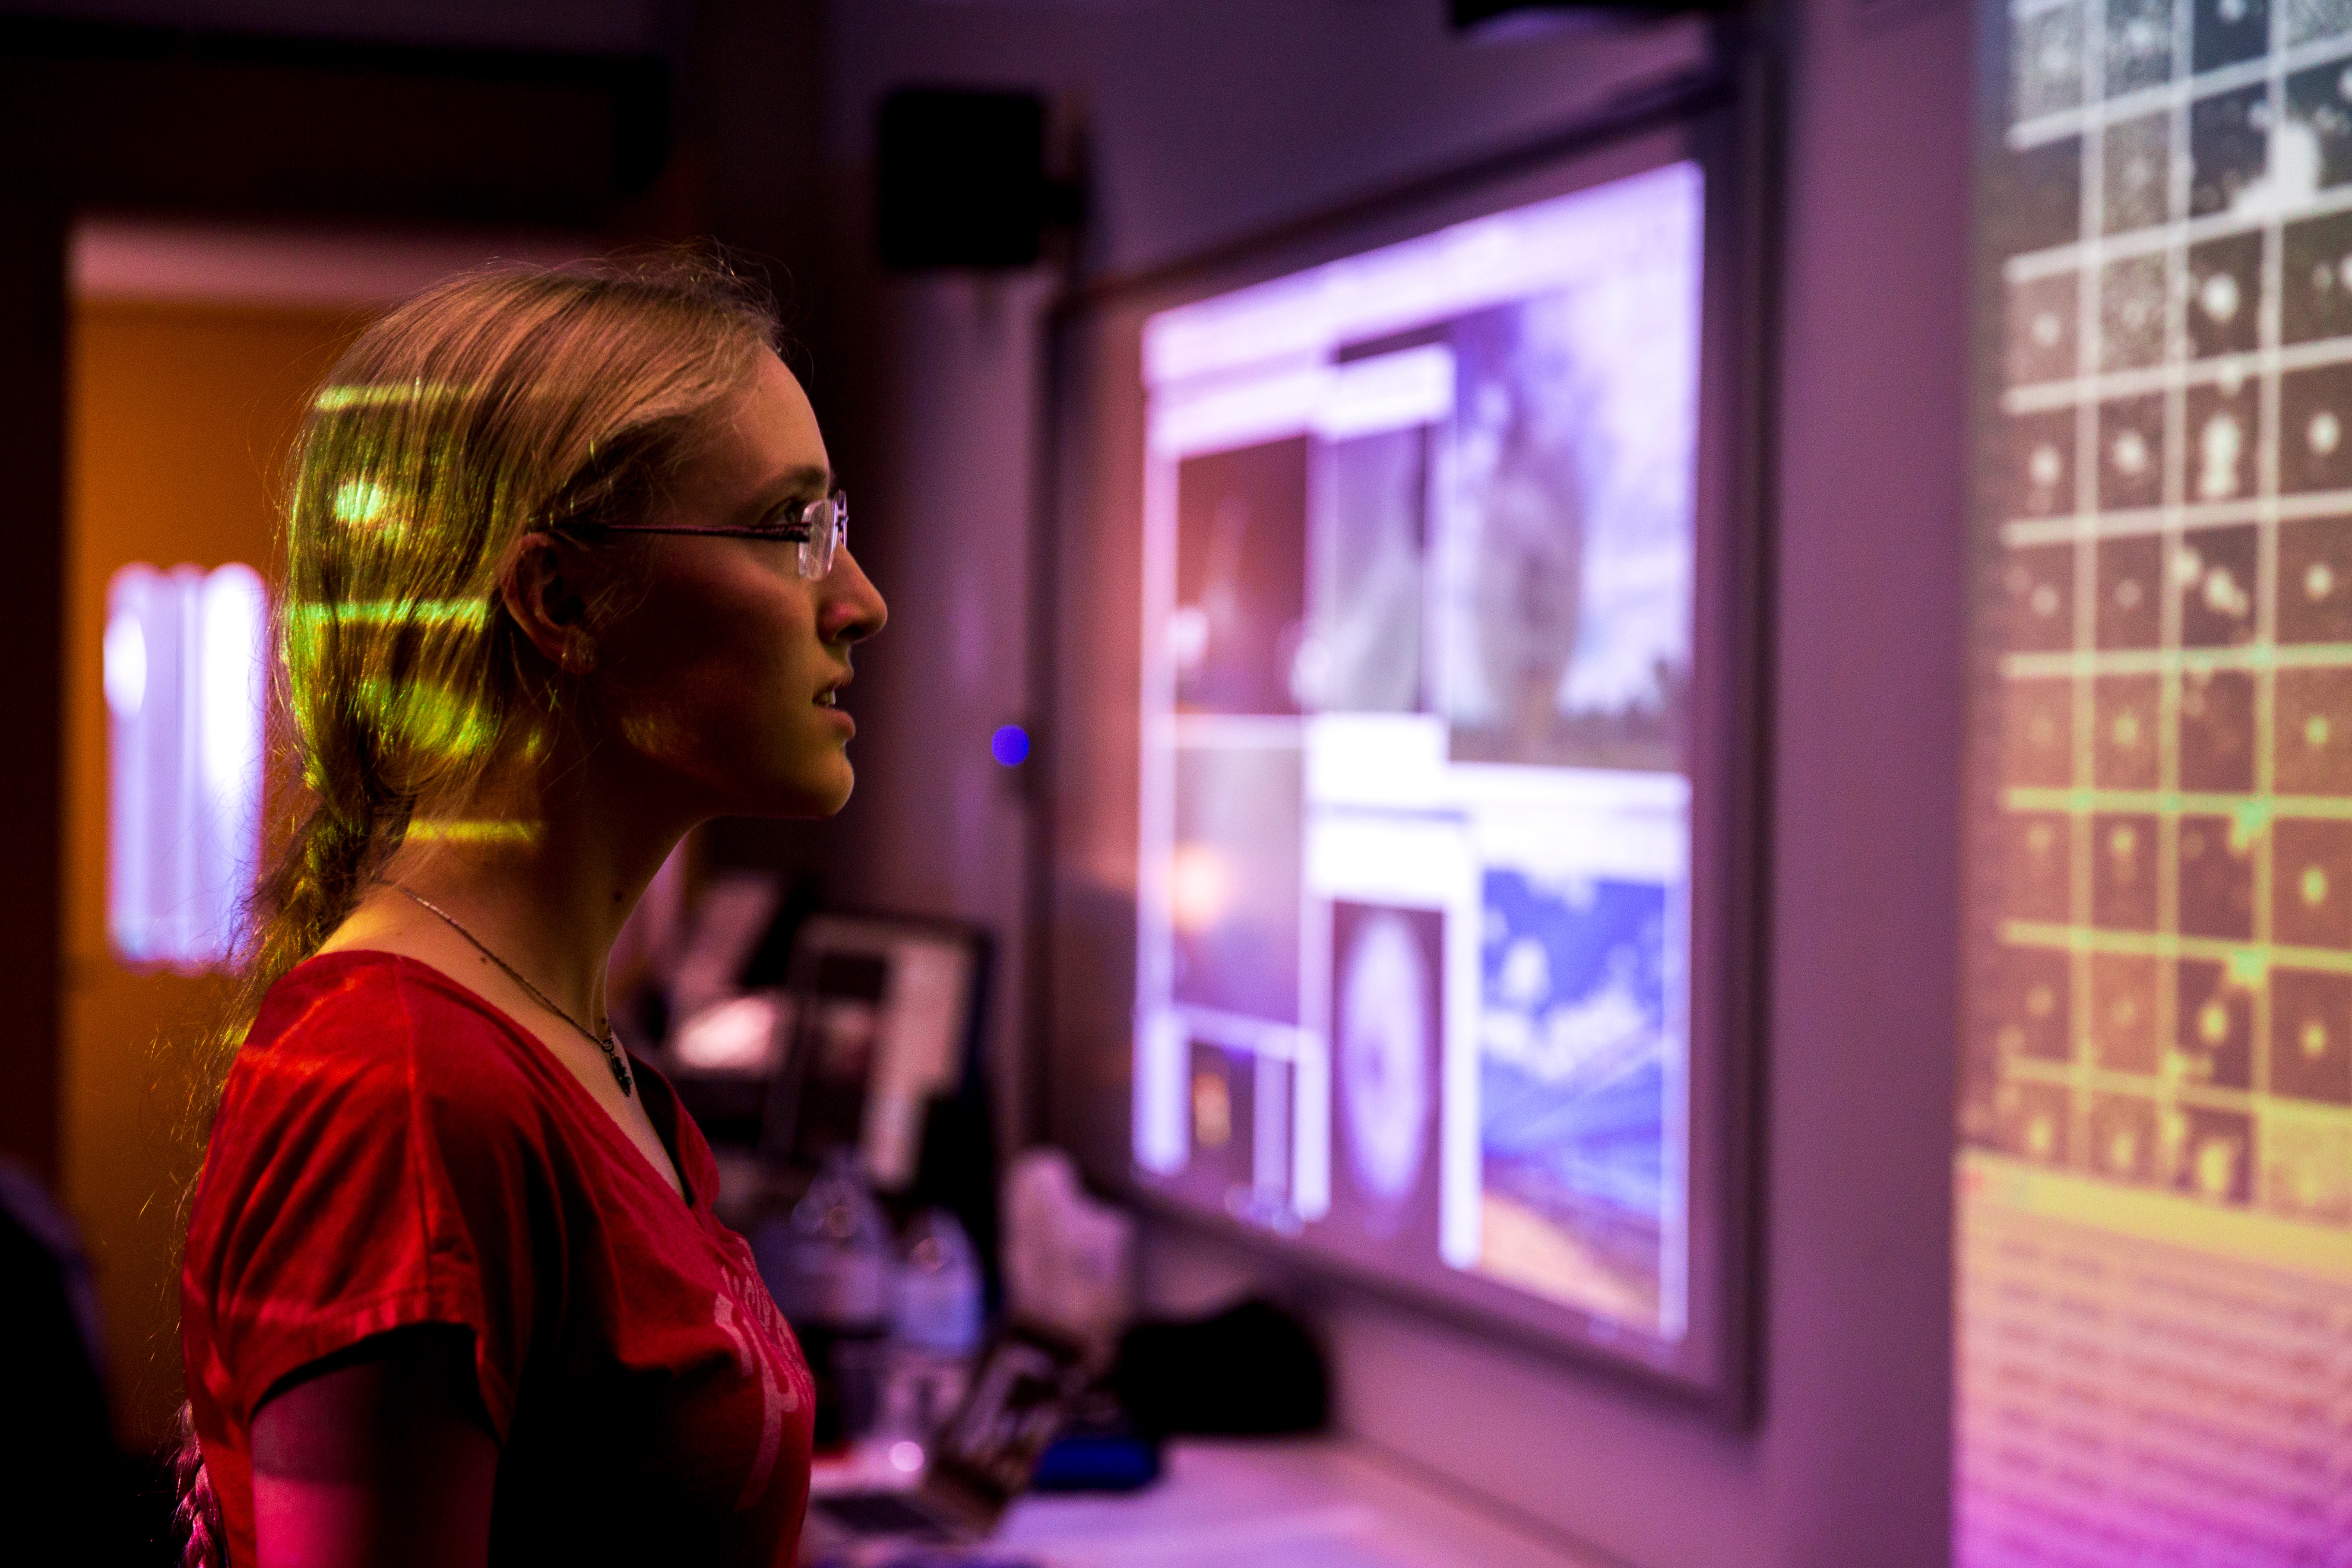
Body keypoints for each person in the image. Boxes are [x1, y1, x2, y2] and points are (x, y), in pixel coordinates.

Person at [173, 256, 887, 1568]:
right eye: (793, 531)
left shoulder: (585, 1062)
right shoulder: (400, 1089)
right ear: (558, 599)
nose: (859, 604)